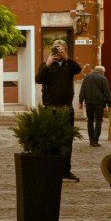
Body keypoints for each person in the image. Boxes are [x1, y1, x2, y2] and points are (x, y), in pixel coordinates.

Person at [36, 39, 82, 182]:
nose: (58, 52)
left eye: (60, 49)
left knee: (67, 140)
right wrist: (48, 64)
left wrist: (67, 58)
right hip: (51, 108)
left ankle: (65, 171)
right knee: (51, 140)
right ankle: (51, 170)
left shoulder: (69, 65)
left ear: (65, 50)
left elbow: (79, 69)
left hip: (66, 108)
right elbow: (39, 79)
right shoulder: (46, 65)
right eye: (55, 49)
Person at [78, 65, 111, 147]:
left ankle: (91, 140)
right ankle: (95, 141)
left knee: (90, 121)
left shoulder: (86, 78)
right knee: (98, 121)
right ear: (102, 72)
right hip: (99, 103)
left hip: (89, 102)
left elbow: (82, 89)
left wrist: (80, 101)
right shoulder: (103, 79)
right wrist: (109, 104)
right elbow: (107, 92)